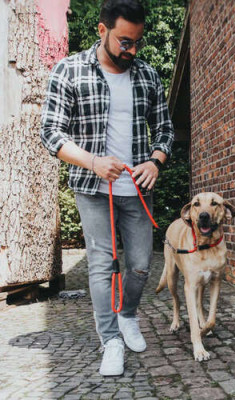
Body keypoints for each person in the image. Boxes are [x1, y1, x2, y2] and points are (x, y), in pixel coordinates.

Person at [40, 0, 174, 376]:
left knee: (142, 266)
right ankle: (111, 340)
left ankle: (128, 315)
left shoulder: (147, 75)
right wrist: (93, 162)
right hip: (92, 187)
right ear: (102, 31)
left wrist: (155, 161)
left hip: (137, 190)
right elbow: (50, 132)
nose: (130, 50)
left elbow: (165, 130)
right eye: (123, 42)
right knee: (101, 265)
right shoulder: (69, 71)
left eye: (136, 42)